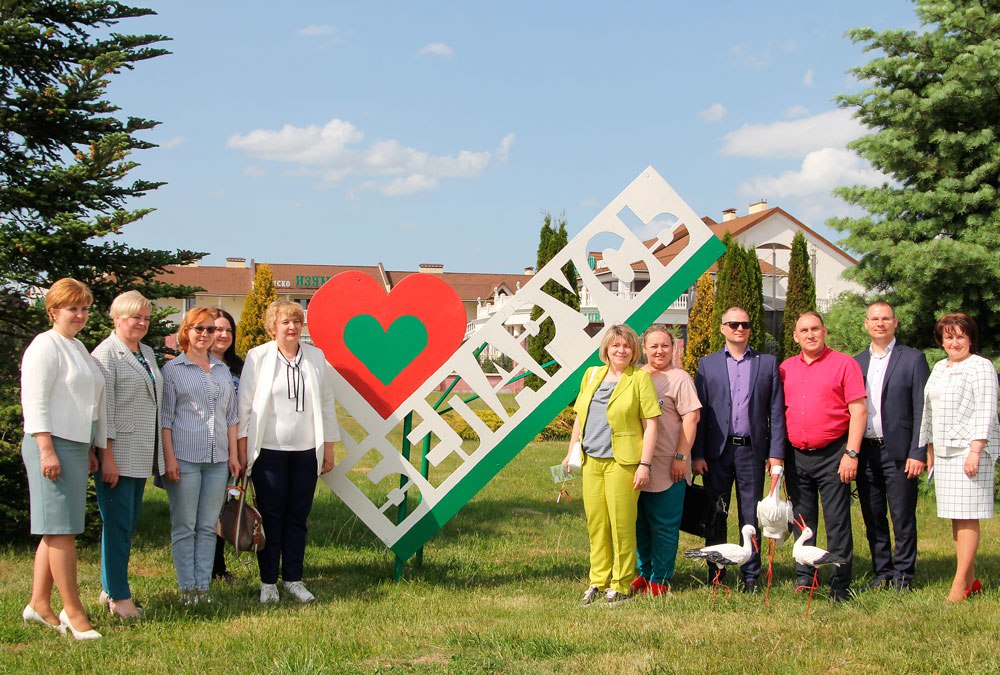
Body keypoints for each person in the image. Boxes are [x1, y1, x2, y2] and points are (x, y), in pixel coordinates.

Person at [238, 300, 340, 604]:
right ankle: (268, 582)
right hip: (269, 450)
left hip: (307, 451)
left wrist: (329, 448)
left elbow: (325, 403)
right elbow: (244, 405)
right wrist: (243, 450)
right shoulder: (258, 357)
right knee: (270, 517)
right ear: (273, 327)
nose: (293, 327)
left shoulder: (316, 357)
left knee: (298, 517)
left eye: (297, 321)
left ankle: (294, 578)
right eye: (285, 322)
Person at [20, 278, 106, 639]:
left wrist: (87, 446)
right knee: (61, 531)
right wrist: (45, 448)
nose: (81, 315)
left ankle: (39, 604)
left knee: (57, 529)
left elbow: (83, 403)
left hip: (72, 445)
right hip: (49, 443)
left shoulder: (76, 346)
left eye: (85, 308)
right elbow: (35, 400)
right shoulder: (46, 345)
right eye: (73, 308)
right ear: (53, 310)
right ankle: (73, 611)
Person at [563, 324, 659, 606]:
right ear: (606, 348)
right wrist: (571, 451)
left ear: (634, 351)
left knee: (621, 525)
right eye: (616, 345)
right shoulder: (591, 374)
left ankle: (621, 583)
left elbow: (651, 424)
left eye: (627, 346)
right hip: (592, 460)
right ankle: (598, 580)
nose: (621, 350)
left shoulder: (639, 379)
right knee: (597, 524)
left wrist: (645, 464)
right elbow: (580, 416)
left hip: (623, 462)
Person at [693, 307, 785, 593]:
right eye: (733, 324)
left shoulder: (767, 363)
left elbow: (776, 411)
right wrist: (697, 454)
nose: (739, 329)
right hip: (716, 453)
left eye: (744, 324)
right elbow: (700, 413)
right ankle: (716, 573)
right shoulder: (707, 365)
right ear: (723, 328)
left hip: (751, 452)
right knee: (716, 514)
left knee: (750, 515)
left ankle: (751, 576)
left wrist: (776, 453)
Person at [780, 311, 866, 601]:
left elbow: (858, 410)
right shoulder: (786, 368)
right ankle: (805, 578)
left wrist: (851, 453)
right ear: (795, 336)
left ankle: (840, 584)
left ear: (824, 331)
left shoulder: (845, 364)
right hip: (796, 457)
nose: (810, 334)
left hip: (834, 455)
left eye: (815, 328)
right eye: (803, 330)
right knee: (803, 521)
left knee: (837, 521)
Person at [91, 291, 164, 619]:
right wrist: (106, 456)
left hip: (140, 453)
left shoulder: (145, 351)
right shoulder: (107, 353)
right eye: (135, 317)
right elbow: (102, 410)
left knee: (125, 523)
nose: (142, 323)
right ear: (117, 318)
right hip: (117, 454)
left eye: (146, 318)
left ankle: (109, 588)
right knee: (118, 525)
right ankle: (120, 599)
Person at [160, 307, 240, 604]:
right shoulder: (173, 370)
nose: (206, 335)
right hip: (184, 458)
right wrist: (169, 460)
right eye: (200, 329)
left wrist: (233, 455)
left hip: (218, 460)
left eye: (210, 330)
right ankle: (186, 588)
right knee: (185, 525)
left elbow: (232, 416)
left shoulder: (221, 370)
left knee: (208, 526)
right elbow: (165, 420)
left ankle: (203, 588)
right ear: (187, 332)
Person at [918, 313, 998, 603]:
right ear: (942, 341)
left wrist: (975, 450)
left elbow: (986, 410)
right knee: (956, 517)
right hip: (944, 452)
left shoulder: (981, 366)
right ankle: (971, 578)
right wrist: (929, 450)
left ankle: (958, 584)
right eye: (948, 337)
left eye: (960, 336)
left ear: (970, 338)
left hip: (970, 451)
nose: (954, 342)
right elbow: (928, 410)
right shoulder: (940, 367)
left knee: (968, 517)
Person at [853, 301, 930, 591]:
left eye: (886, 319)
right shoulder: (857, 362)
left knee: (902, 516)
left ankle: (904, 576)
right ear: (866, 324)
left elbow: (922, 409)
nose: (880, 324)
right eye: (875, 319)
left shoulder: (912, 359)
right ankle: (882, 572)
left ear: (895, 323)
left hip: (899, 452)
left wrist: (917, 451)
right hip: (867, 451)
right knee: (873, 515)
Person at [633, 325, 700, 596]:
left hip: (668, 464)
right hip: (637, 463)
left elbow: (691, 418)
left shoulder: (680, 379)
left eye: (665, 346)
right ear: (644, 349)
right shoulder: (636, 376)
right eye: (654, 346)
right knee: (640, 523)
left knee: (663, 525)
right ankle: (643, 572)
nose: (659, 351)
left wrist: (681, 457)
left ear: (673, 348)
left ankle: (661, 577)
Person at [209, 309, 244, 583]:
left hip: (232, 447)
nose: (223, 335)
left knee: (225, 507)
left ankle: (218, 567)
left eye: (228, 330)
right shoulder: (197, 364)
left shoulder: (240, 367)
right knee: (205, 510)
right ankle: (205, 568)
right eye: (216, 329)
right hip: (203, 447)